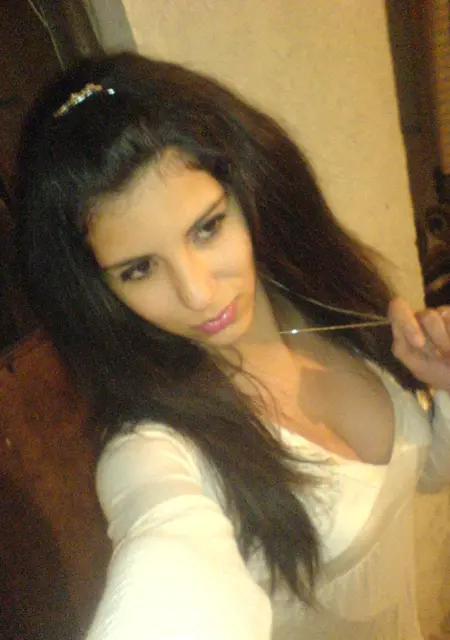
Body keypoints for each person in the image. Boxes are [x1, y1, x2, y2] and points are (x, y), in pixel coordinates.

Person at [15, 51, 450, 639]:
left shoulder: (331, 303)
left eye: (207, 227)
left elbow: (422, 472)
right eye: (139, 269)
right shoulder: (153, 450)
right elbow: (167, 544)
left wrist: (446, 387)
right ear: (99, 290)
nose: (197, 293)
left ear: (246, 190)